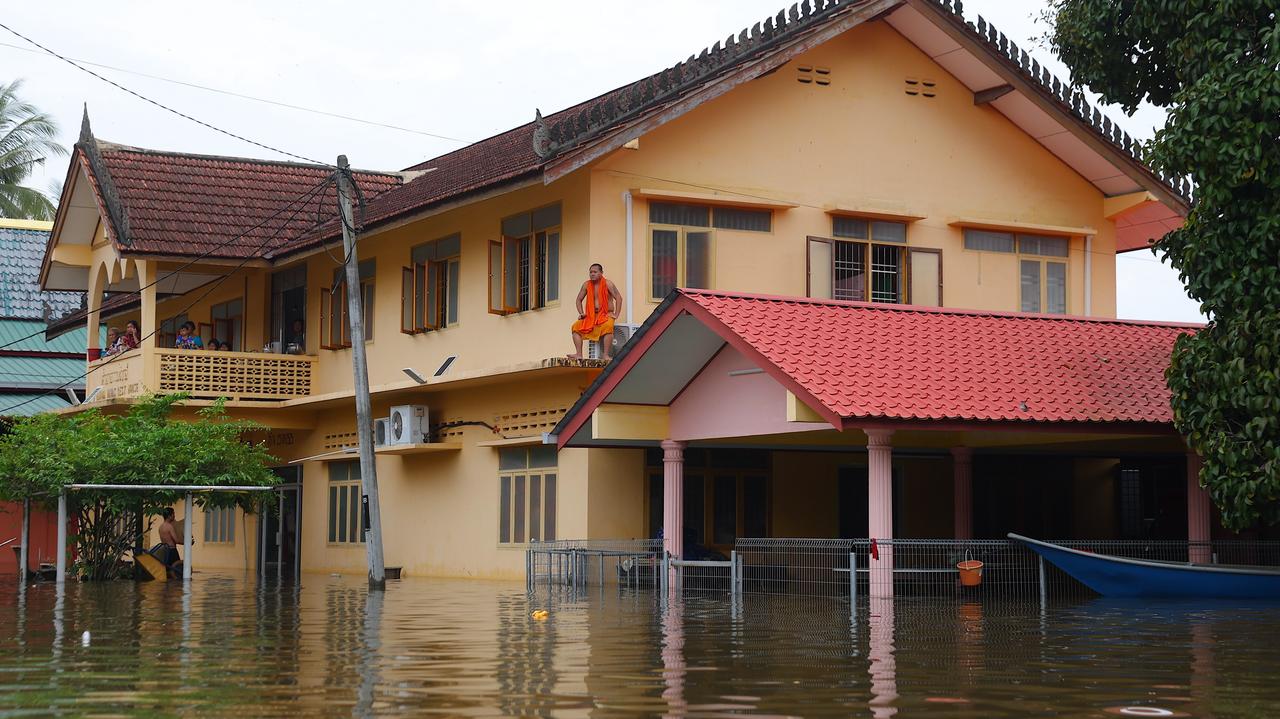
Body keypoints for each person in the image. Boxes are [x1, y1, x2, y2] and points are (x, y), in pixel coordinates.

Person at [568, 263, 623, 360]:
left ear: (601, 273)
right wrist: (581, 313)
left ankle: (605, 355)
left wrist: (616, 314)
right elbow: (578, 300)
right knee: (575, 327)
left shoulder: (608, 283)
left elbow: (618, 298)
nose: (592, 274)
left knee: (608, 327)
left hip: (606, 314)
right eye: (590, 272)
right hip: (591, 316)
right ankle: (579, 354)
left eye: (595, 272)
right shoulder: (586, 285)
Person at [157, 507, 182, 574]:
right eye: (173, 514)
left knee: (167, 571)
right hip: (172, 551)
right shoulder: (170, 527)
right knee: (177, 571)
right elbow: (176, 540)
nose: (174, 516)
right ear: (169, 516)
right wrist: (187, 542)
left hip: (165, 551)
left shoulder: (161, 527)